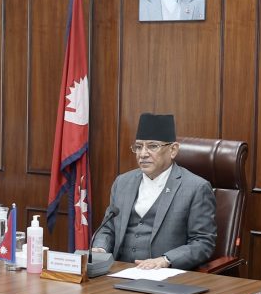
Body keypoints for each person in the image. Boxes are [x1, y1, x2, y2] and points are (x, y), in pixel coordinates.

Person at [90, 113, 216, 270]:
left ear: (173, 150)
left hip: (162, 276)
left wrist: (166, 259)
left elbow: (203, 242)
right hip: (117, 271)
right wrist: (100, 249)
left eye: (152, 146)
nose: (143, 154)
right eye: (138, 147)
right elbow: (108, 228)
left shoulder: (196, 187)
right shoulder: (122, 182)